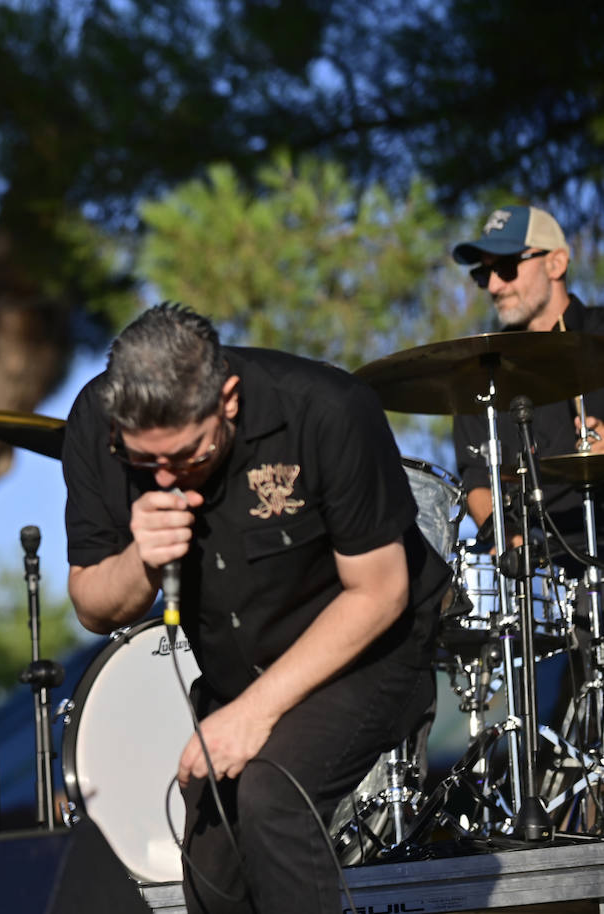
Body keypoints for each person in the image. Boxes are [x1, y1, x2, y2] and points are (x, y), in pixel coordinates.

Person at [62, 303, 450, 914]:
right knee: (214, 855)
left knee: (274, 794)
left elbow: (380, 591)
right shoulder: (94, 423)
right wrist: (141, 557)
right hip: (237, 670)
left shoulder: (325, 409)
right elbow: (91, 602)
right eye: (144, 462)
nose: (165, 479)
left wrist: (253, 714)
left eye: (187, 456)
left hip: (370, 644)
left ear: (229, 401)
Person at [450, 204, 604, 554]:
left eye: (506, 268)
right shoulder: (482, 372)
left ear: (556, 263)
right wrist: (509, 543)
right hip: (537, 579)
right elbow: (476, 478)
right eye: (482, 274)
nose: (493, 285)